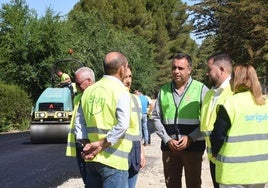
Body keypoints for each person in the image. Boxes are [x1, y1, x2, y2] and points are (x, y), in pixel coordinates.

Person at [152, 52, 209, 188]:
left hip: (193, 147)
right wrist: (167, 139)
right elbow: (156, 117)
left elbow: (207, 120)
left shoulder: (201, 89)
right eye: (174, 68)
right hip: (169, 149)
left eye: (180, 68)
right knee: (171, 184)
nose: (176, 71)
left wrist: (191, 137)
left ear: (189, 70)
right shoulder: (164, 90)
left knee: (194, 184)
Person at [80, 52, 135, 188]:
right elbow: (122, 125)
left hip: (92, 160)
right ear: (122, 69)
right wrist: (100, 145)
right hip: (114, 161)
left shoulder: (89, 91)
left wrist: (87, 144)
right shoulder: (121, 91)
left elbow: (79, 123)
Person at [210, 64, 268, 188]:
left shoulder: (230, 104)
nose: (230, 81)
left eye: (231, 78)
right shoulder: (265, 104)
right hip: (259, 171)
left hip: (233, 172)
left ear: (237, 80)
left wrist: (214, 152)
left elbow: (217, 136)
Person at [200, 53, 233, 188]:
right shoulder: (210, 93)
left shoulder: (234, 91)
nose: (207, 73)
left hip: (228, 156)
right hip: (213, 157)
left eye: (209, 69)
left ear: (221, 69)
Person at [65, 67, 95, 185]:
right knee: (87, 180)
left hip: (93, 145)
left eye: (78, 83)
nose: (76, 86)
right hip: (81, 145)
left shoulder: (97, 97)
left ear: (89, 81)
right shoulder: (78, 98)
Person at [123, 66, 146, 188]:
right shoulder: (113, 98)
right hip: (120, 150)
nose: (128, 80)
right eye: (125, 77)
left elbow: (138, 129)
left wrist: (141, 150)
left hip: (135, 150)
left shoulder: (135, 99)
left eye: (130, 76)